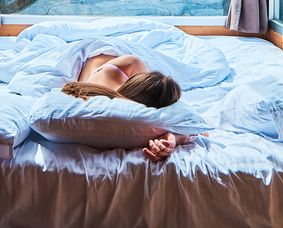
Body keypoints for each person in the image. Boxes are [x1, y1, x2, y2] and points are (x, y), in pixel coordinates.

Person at [61, 54, 197, 161]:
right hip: (100, 53)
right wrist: (179, 135)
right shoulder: (130, 64)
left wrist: (172, 138)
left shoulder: (130, 69)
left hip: (115, 66)